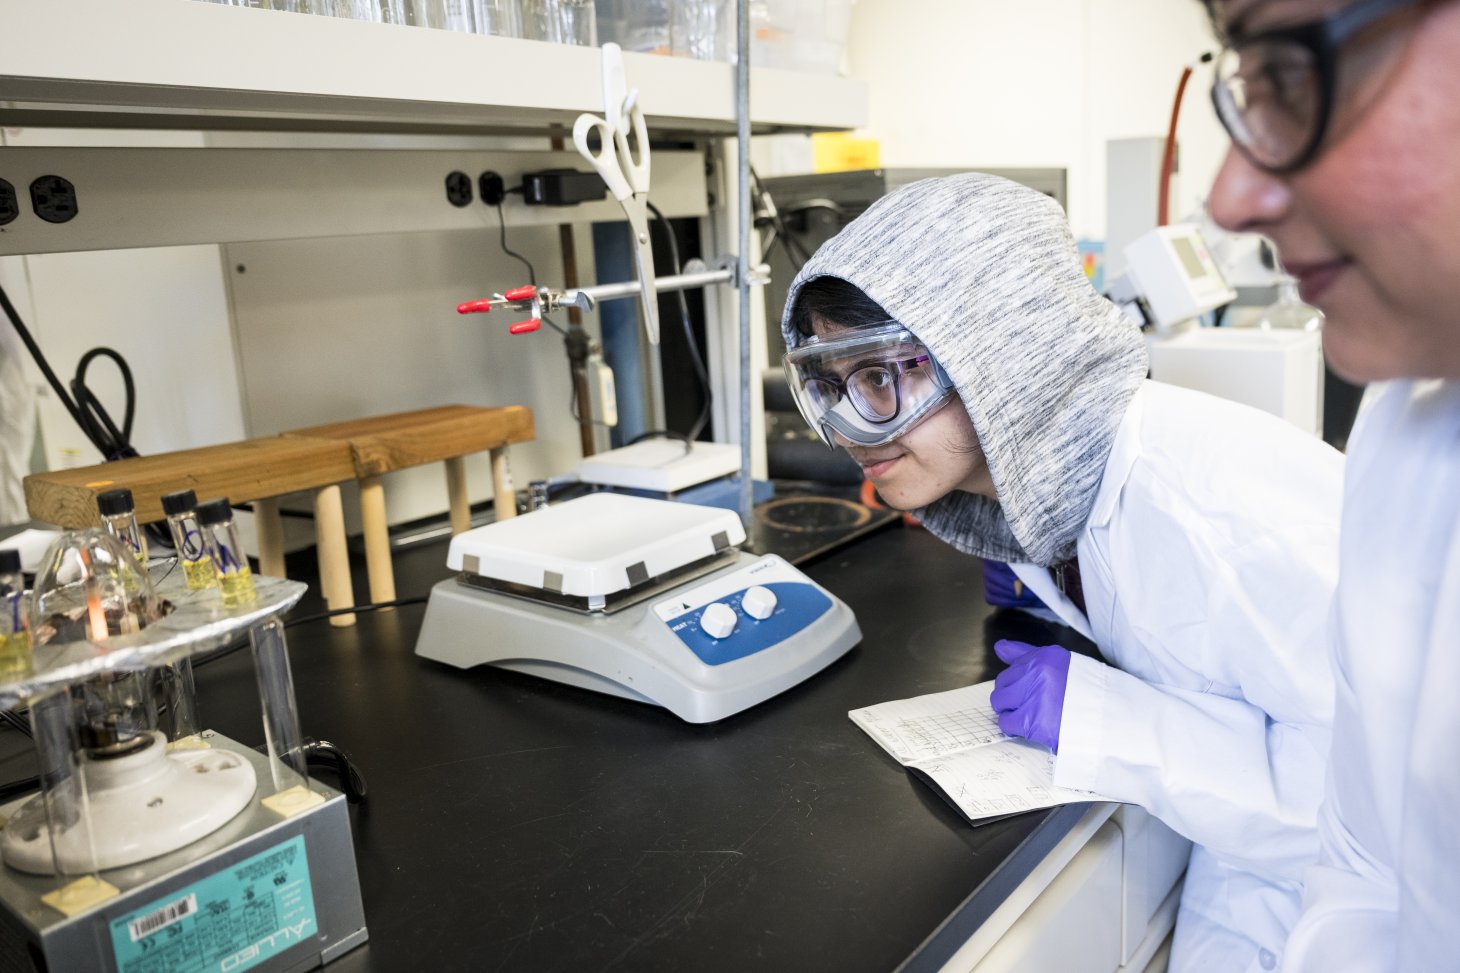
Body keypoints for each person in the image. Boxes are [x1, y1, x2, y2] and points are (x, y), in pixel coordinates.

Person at [779, 172, 1343, 972]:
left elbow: (1361, 810)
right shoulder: (1056, 501)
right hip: (1244, 871)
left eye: (877, 377)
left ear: (1001, 356)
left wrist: (1107, 719)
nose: (847, 428)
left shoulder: (1218, 517)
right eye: (827, 387)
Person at [1203, 0, 1460, 968]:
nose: (1229, 196)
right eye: (1248, 83)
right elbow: (1363, 863)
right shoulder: (1402, 423)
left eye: (1294, 71)